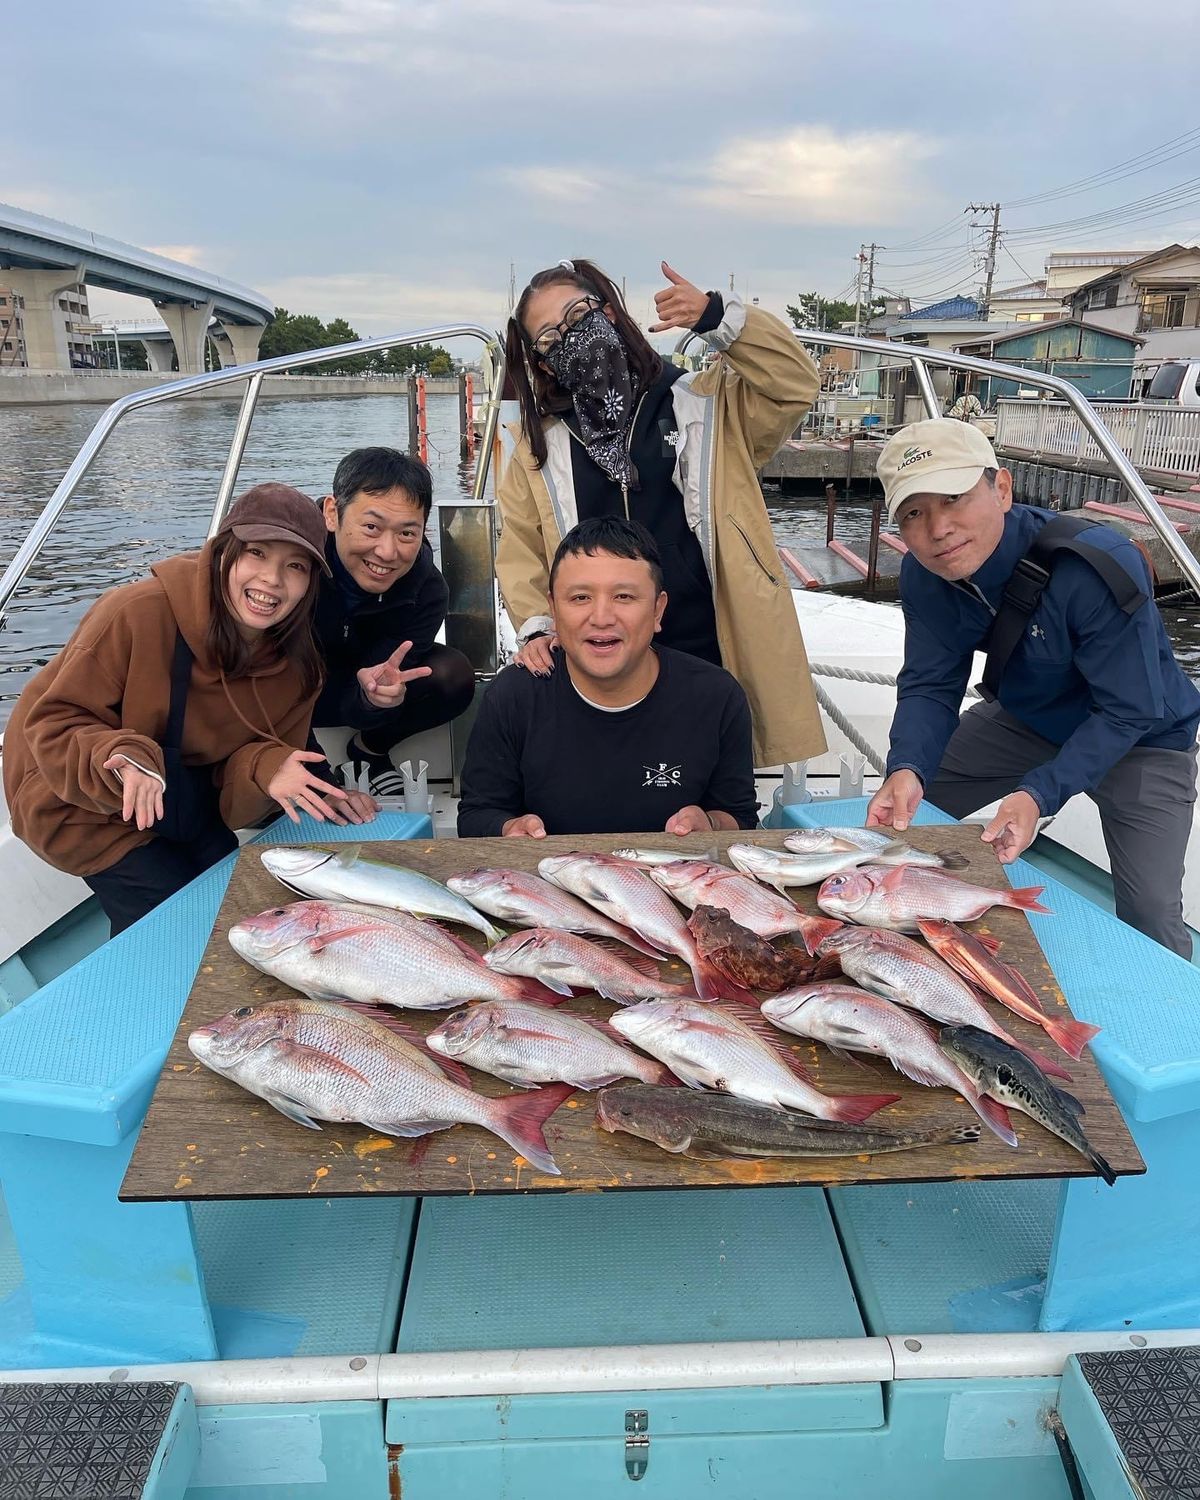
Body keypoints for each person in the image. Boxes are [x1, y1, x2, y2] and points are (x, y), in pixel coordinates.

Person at [866, 419, 1200, 956]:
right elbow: (930, 684)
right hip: (1029, 720)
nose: (938, 528)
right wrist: (907, 766)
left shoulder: (1092, 564)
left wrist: (1038, 793)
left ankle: (1175, 1020)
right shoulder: (925, 576)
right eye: (913, 513)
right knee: (912, 803)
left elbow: (1131, 709)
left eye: (953, 498)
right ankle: (918, 920)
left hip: (1142, 740)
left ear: (1001, 488)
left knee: (1152, 914)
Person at [498, 256, 827, 768]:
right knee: (610, 773)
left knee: (711, 782)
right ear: (544, 364)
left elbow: (793, 384)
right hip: (601, 643)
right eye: (549, 339)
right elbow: (520, 551)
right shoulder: (539, 447)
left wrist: (719, 319)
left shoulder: (707, 402)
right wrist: (539, 626)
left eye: (577, 316)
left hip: (707, 635)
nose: (569, 338)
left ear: (609, 312)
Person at [3, 483, 370, 935]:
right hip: (78, 794)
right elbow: (53, 722)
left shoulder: (300, 667)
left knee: (233, 902)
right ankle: (144, 993)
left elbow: (258, 762)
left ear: (311, 584)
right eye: (256, 553)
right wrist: (123, 760)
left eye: (295, 566)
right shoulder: (136, 613)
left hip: (181, 798)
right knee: (176, 921)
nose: (272, 580)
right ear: (223, 554)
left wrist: (289, 775)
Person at [457, 516, 759, 838]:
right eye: (580, 598)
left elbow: (739, 815)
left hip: (670, 877)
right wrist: (512, 828)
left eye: (624, 597)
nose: (601, 618)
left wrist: (710, 823)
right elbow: (477, 815)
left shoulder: (716, 696)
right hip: (552, 878)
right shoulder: (513, 696)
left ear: (658, 611)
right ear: (554, 609)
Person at [312, 447, 475, 796]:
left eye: (406, 533)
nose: (387, 552)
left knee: (451, 675)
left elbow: (376, 685)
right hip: (286, 690)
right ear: (332, 513)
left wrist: (375, 699)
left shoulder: (427, 591)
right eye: (371, 527)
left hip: (353, 692)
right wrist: (320, 779)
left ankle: (369, 752)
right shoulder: (295, 564)